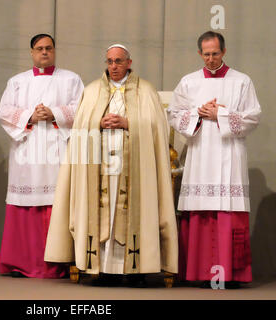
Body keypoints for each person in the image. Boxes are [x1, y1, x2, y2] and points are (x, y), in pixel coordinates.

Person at [44, 44, 178, 286]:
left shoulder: (145, 91)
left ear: (129, 63)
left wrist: (129, 123)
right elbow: (81, 126)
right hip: (100, 167)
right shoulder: (92, 91)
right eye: (109, 61)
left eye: (118, 61)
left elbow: (159, 128)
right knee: (102, 212)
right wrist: (97, 122)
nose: (113, 66)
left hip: (135, 166)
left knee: (133, 211)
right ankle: (101, 269)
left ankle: (135, 271)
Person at [167, 31, 261, 289]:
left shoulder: (241, 81)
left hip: (229, 153)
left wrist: (220, 114)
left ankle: (231, 275)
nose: (210, 59)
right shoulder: (189, 82)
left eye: (215, 54)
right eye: (206, 54)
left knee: (228, 211)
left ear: (224, 52)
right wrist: (197, 114)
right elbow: (174, 115)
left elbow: (252, 118)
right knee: (200, 211)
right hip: (200, 153)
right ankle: (199, 272)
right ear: (200, 54)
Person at [0, 34, 84, 278]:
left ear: (54, 50)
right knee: (26, 204)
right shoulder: (17, 81)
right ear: (32, 52)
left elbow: (84, 109)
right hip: (27, 150)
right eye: (39, 49)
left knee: (56, 203)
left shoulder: (71, 79)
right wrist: (30, 117)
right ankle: (21, 263)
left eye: (48, 48)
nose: (44, 52)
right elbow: (4, 111)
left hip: (56, 149)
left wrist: (54, 113)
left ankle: (59, 262)